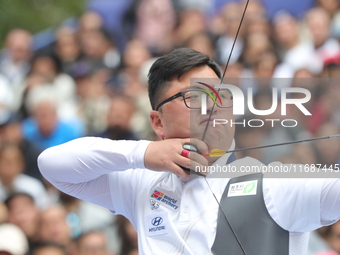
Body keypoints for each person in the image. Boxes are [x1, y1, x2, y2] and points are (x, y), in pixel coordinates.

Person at [38, 48, 340, 255]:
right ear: (158, 122)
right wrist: (143, 154)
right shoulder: (142, 183)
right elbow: (51, 164)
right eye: (194, 96)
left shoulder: (276, 182)